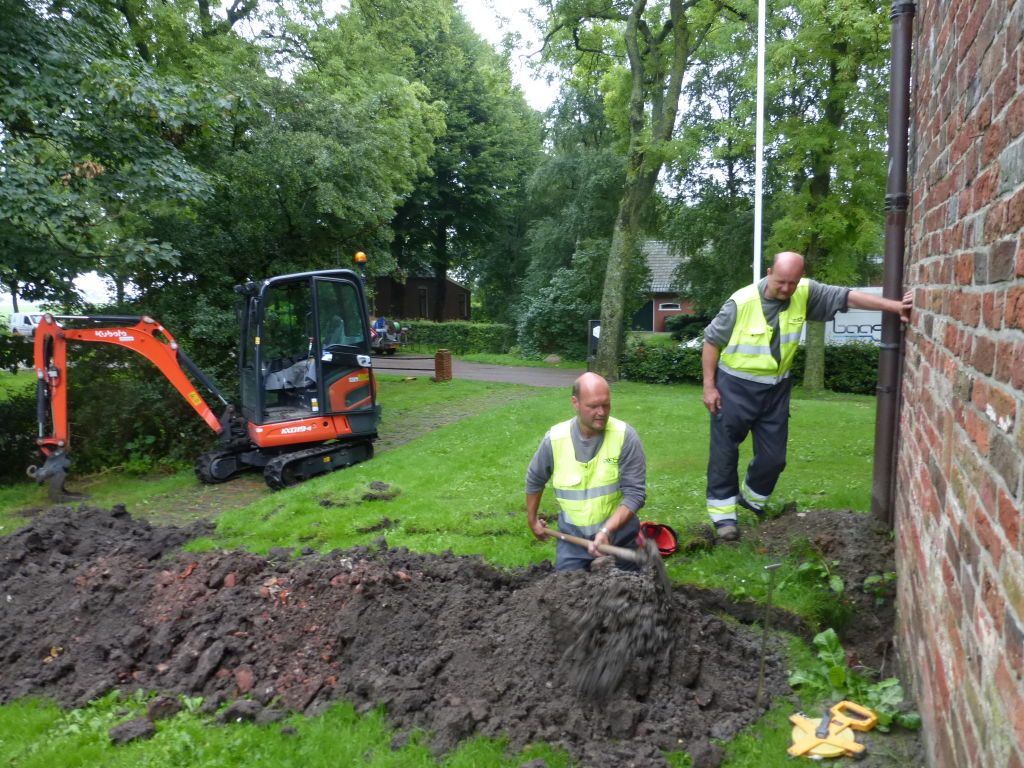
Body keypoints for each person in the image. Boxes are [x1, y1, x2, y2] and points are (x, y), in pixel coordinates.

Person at [702, 251, 912, 541]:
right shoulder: (741, 302)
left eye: (792, 282)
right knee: (725, 453)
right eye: (781, 282)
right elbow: (712, 342)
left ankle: (751, 500)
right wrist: (709, 386)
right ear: (768, 272)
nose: (787, 289)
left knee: (774, 458)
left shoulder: (805, 292)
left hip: (775, 389)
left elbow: (848, 297)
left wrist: (894, 306)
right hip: (734, 387)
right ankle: (724, 517)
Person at [525, 372, 647, 571]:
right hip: (572, 539)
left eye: (606, 405)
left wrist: (607, 530)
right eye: (593, 406)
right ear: (576, 403)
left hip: (619, 537)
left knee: (628, 596)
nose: (601, 412)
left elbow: (635, 494)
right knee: (568, 596)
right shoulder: (555, 439)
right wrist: (532, 520)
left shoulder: (625, 436)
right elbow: (535, 479)